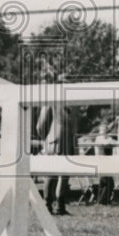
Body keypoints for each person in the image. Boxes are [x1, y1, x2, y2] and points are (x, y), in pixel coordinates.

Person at [36, 86, 78, 215]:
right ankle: (47, 205)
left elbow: (75, 127)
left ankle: (60, 206)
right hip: (54, 143)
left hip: (69, 143)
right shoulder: (51, 101)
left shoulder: (73, 105)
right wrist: (48, 139)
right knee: (50, 175)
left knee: (64, 175)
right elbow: (40, 126)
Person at [92, 120, 115, 205]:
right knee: (107, 181)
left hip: (104, 162)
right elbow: (107, 143)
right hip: (101, 161)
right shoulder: (100, 138)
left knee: (105, 181)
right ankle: (103, 201)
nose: (105, 131)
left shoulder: (105, 137)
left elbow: (111, 142)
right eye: (104, 129)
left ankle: (102, 200)